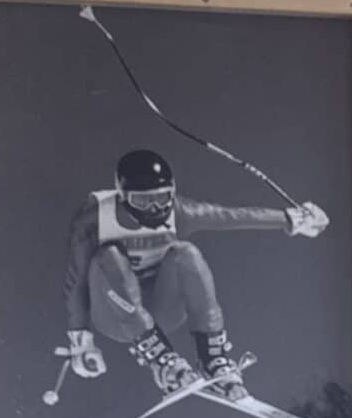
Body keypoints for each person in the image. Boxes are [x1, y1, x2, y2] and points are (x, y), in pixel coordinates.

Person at [62, 148, 328, 402]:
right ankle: (161, 360)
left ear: (173, 192)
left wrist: (291, 219)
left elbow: (230, 216)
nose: (154, 209)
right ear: (123, 197)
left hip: (162, 311)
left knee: (186, 253)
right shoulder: (95, 219)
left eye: (162, 198)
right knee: (108, 257)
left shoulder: (180, 212)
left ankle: (213, 359)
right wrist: (81, 343)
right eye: (142, 201)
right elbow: (77, 280)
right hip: (117, 317)